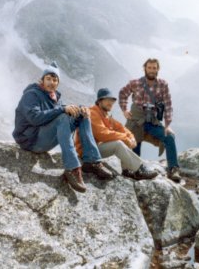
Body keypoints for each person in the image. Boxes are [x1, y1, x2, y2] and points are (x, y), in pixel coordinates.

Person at [12, 62, 113, 193]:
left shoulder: (54, 98)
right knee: (63, 116)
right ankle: (72, 168)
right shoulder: (31, 95)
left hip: (43, 137)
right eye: (48, 78)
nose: (51, 82)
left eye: (55, 80)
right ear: (42, 80)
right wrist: (62, 109)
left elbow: (59, 112)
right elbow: (35, 118)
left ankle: (92, 161)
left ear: (58, 83)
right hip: (31, 141)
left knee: (82, 114)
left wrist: (81, 109)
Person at [118, 58, 181, 183]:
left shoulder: (163, 84)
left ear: (158, 69)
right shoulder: (135, 83)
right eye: (149, 68)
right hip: (136, 120)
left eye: (154, 68)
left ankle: (173, 169)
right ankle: (135, 170)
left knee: (169, 137)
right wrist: (124, 109)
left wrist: (167, 125)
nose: (152, 70)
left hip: (152, 121)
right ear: (145, 68)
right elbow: (122, 93)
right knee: (133, 144)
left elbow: (168, 105)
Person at [74, 88, 158, 180]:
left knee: (123, 139)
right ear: (99, 101)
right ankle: (139, 170)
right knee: (118, 144)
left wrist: (131, 137)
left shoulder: (106, 116)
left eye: (112, 100)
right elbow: (102, 134)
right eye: (107, 100)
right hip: (87, 152)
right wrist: (125, 138)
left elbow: (122, 128)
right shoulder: (93, 113)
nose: (110, 103)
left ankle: (127, 170)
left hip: (96, 149)